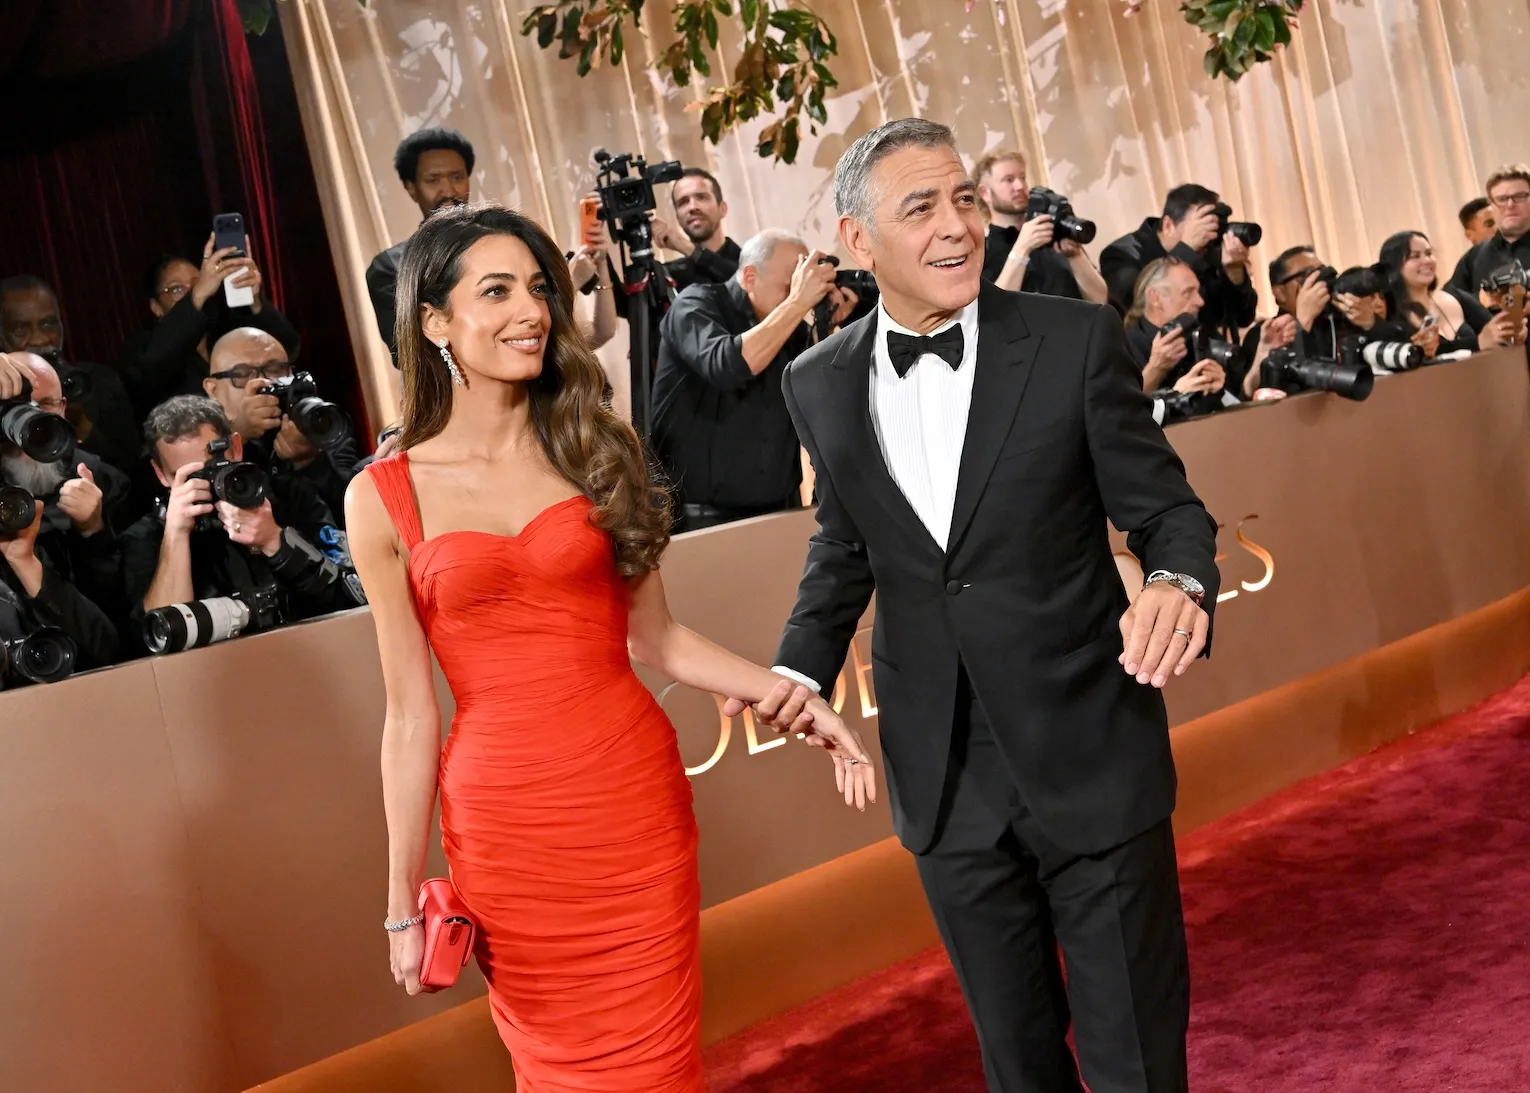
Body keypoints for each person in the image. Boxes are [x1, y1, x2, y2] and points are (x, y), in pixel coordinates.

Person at [730, 118, 1219, 1093]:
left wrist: (1177, 579)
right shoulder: (817, 382)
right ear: (858, 241)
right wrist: (796, 666)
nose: (959, 225)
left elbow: (1166, 510)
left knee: (1135, 1064)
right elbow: (845, 543)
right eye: (922, 207)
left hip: (1090, 739)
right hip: (945, 775)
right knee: (1018, 1065)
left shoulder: (1076, 341)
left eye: (964, 198)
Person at [343, 203, 872, 1091]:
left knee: (657, 1064)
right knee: (560, 1070)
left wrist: (795, 693)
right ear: (432, 321)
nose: (532, 311)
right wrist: (402, 890)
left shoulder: (597, 446)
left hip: (629, 805)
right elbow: (408, 712)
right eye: (497, 290)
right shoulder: (382, 496)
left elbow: (657, 635)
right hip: (507, 829)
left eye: (539, 288)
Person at [652, 229, 852, 531]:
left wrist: (827, 328)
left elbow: (821, 407)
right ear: (749, 277)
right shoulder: (695, 306)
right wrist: (797, 303)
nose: (798, 295)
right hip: (701, 518)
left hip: (781, 509)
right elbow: (728, 366)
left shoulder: (793, 331)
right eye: (790, 285)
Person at [120, 396, 361, 645]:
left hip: (320, 649)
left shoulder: (293, 496)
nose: (209, 481)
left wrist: (274, 541)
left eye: (213, 466)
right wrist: (176, 535)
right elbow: (160, 642)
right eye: (191, 475)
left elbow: (348, 599)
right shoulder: (145, 539)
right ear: (161, 474)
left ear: (235, 447)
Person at [0, 352, 121, 671]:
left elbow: (112, 639)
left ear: (64, 408)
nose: (33, 421)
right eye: (17, 408)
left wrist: (93, 532)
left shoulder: (97, 478)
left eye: (46, 406)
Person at [120, 240, 300, 418]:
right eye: (176, 289)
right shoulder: (144, 348)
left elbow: (287, 349)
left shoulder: (227, 332)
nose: (193, 291)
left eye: (198, 282)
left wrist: (254, 300)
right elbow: (147, 371)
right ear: (155, 307)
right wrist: (197, 294)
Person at [201, 327, 359, 527]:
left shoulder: (321, 421)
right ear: (212, 389)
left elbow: (355, 513)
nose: (262, 382)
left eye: (275, 370)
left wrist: (310, 462)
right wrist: (239, 436)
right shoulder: (197, 436)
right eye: (241, 374)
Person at [0, 276, 140, 481]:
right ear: (2, 335)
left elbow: (134, 469)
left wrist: (84, 430)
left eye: (48, 324)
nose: (39, 338)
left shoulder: (98, 382)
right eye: (21, 329)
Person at [367, 128, 476, 360]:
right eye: (433, 180)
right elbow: (403, 351)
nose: (448, 190)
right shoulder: (391, 266)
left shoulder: (503, 242)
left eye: (457, 177)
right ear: (411, 188)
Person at [1100, 184, 1257, 341]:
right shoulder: (1120, 255)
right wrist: (1187, 250)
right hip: (1149, 355)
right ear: (1168, 226)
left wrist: (1235, 270)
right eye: (1200, 228)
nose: (1206, 237)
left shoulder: (1208, 249)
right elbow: (1140, 308)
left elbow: (1243, 317)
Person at [971, 150, 1108, 303]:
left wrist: (1076, 257)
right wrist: (1022, 250)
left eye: (1022, 178)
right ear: (985, 193)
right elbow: (994, 308)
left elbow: (1100, 299)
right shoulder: (981, 252)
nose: (1020, 186)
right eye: (1009, 180)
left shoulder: (1052, 234)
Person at [1123, 257, 1237, 413]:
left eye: (1198, 291)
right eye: (1188, 293)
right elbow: (1121, 410)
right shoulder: (1122, 345)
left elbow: (1239, 397)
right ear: (1156, 298)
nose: (1200, 301)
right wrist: (1156, 369)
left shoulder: (1201, 335)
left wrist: (1218, 387)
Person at [1377, 231, 1500, 359]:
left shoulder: (1455, 296)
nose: (1426, 261)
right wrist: (1478, 342)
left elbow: (1494, 329)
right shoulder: (1389, 315)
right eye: (1415, 256)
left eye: (1429, 254)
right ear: (1393, 268)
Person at [652, 167, 742, 291]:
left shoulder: (751, 261)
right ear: (677, 217)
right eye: (683, 202)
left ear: (723, 209)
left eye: (701, 197)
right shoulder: (671, 276)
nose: (692, 207)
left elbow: (746, 286)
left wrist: (687, 247)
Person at [1448, 165, 1530, 300]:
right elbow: (1449, 303)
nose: (1510, 204)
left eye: (1519, 196)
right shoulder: (1474, 257)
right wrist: (1483, 300)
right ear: (1491, 205)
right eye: (1501, 199)